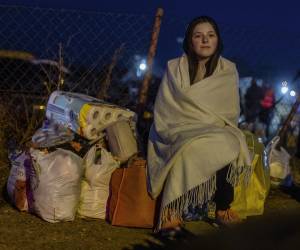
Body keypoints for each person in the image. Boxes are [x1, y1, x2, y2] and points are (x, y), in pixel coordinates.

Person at [147, 16, 251, 236]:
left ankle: (222, 208)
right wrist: (194, 129)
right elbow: (166, 109)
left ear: (217, 40)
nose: (205, 40)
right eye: (198, 35)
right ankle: (172, 212)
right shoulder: (174, 68)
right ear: (190, 41)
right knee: (187, 143)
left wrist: (206, 127)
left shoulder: (228, 70)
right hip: (177, 127)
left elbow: (229, 112)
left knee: (227, 141)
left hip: (214, 128)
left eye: (210, 35)